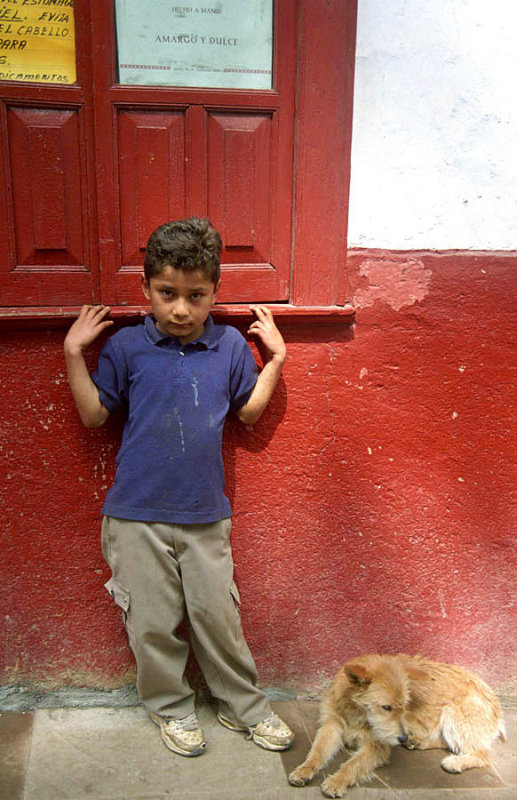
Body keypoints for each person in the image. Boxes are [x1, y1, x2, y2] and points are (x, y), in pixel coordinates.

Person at [63, 217, 294, 758]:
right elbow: (96, 417)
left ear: (215, 292)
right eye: (167, 294)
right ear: (146, 289)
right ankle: (172, 709)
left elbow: (251, 414)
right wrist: (75, 354)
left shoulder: (231, 348)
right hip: (136, 513)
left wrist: (276, 360)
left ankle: (246, 709)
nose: (181, 310)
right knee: (153, 622)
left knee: (218, 618)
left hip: (205, 513)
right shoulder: (126, 348)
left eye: (196, 296)